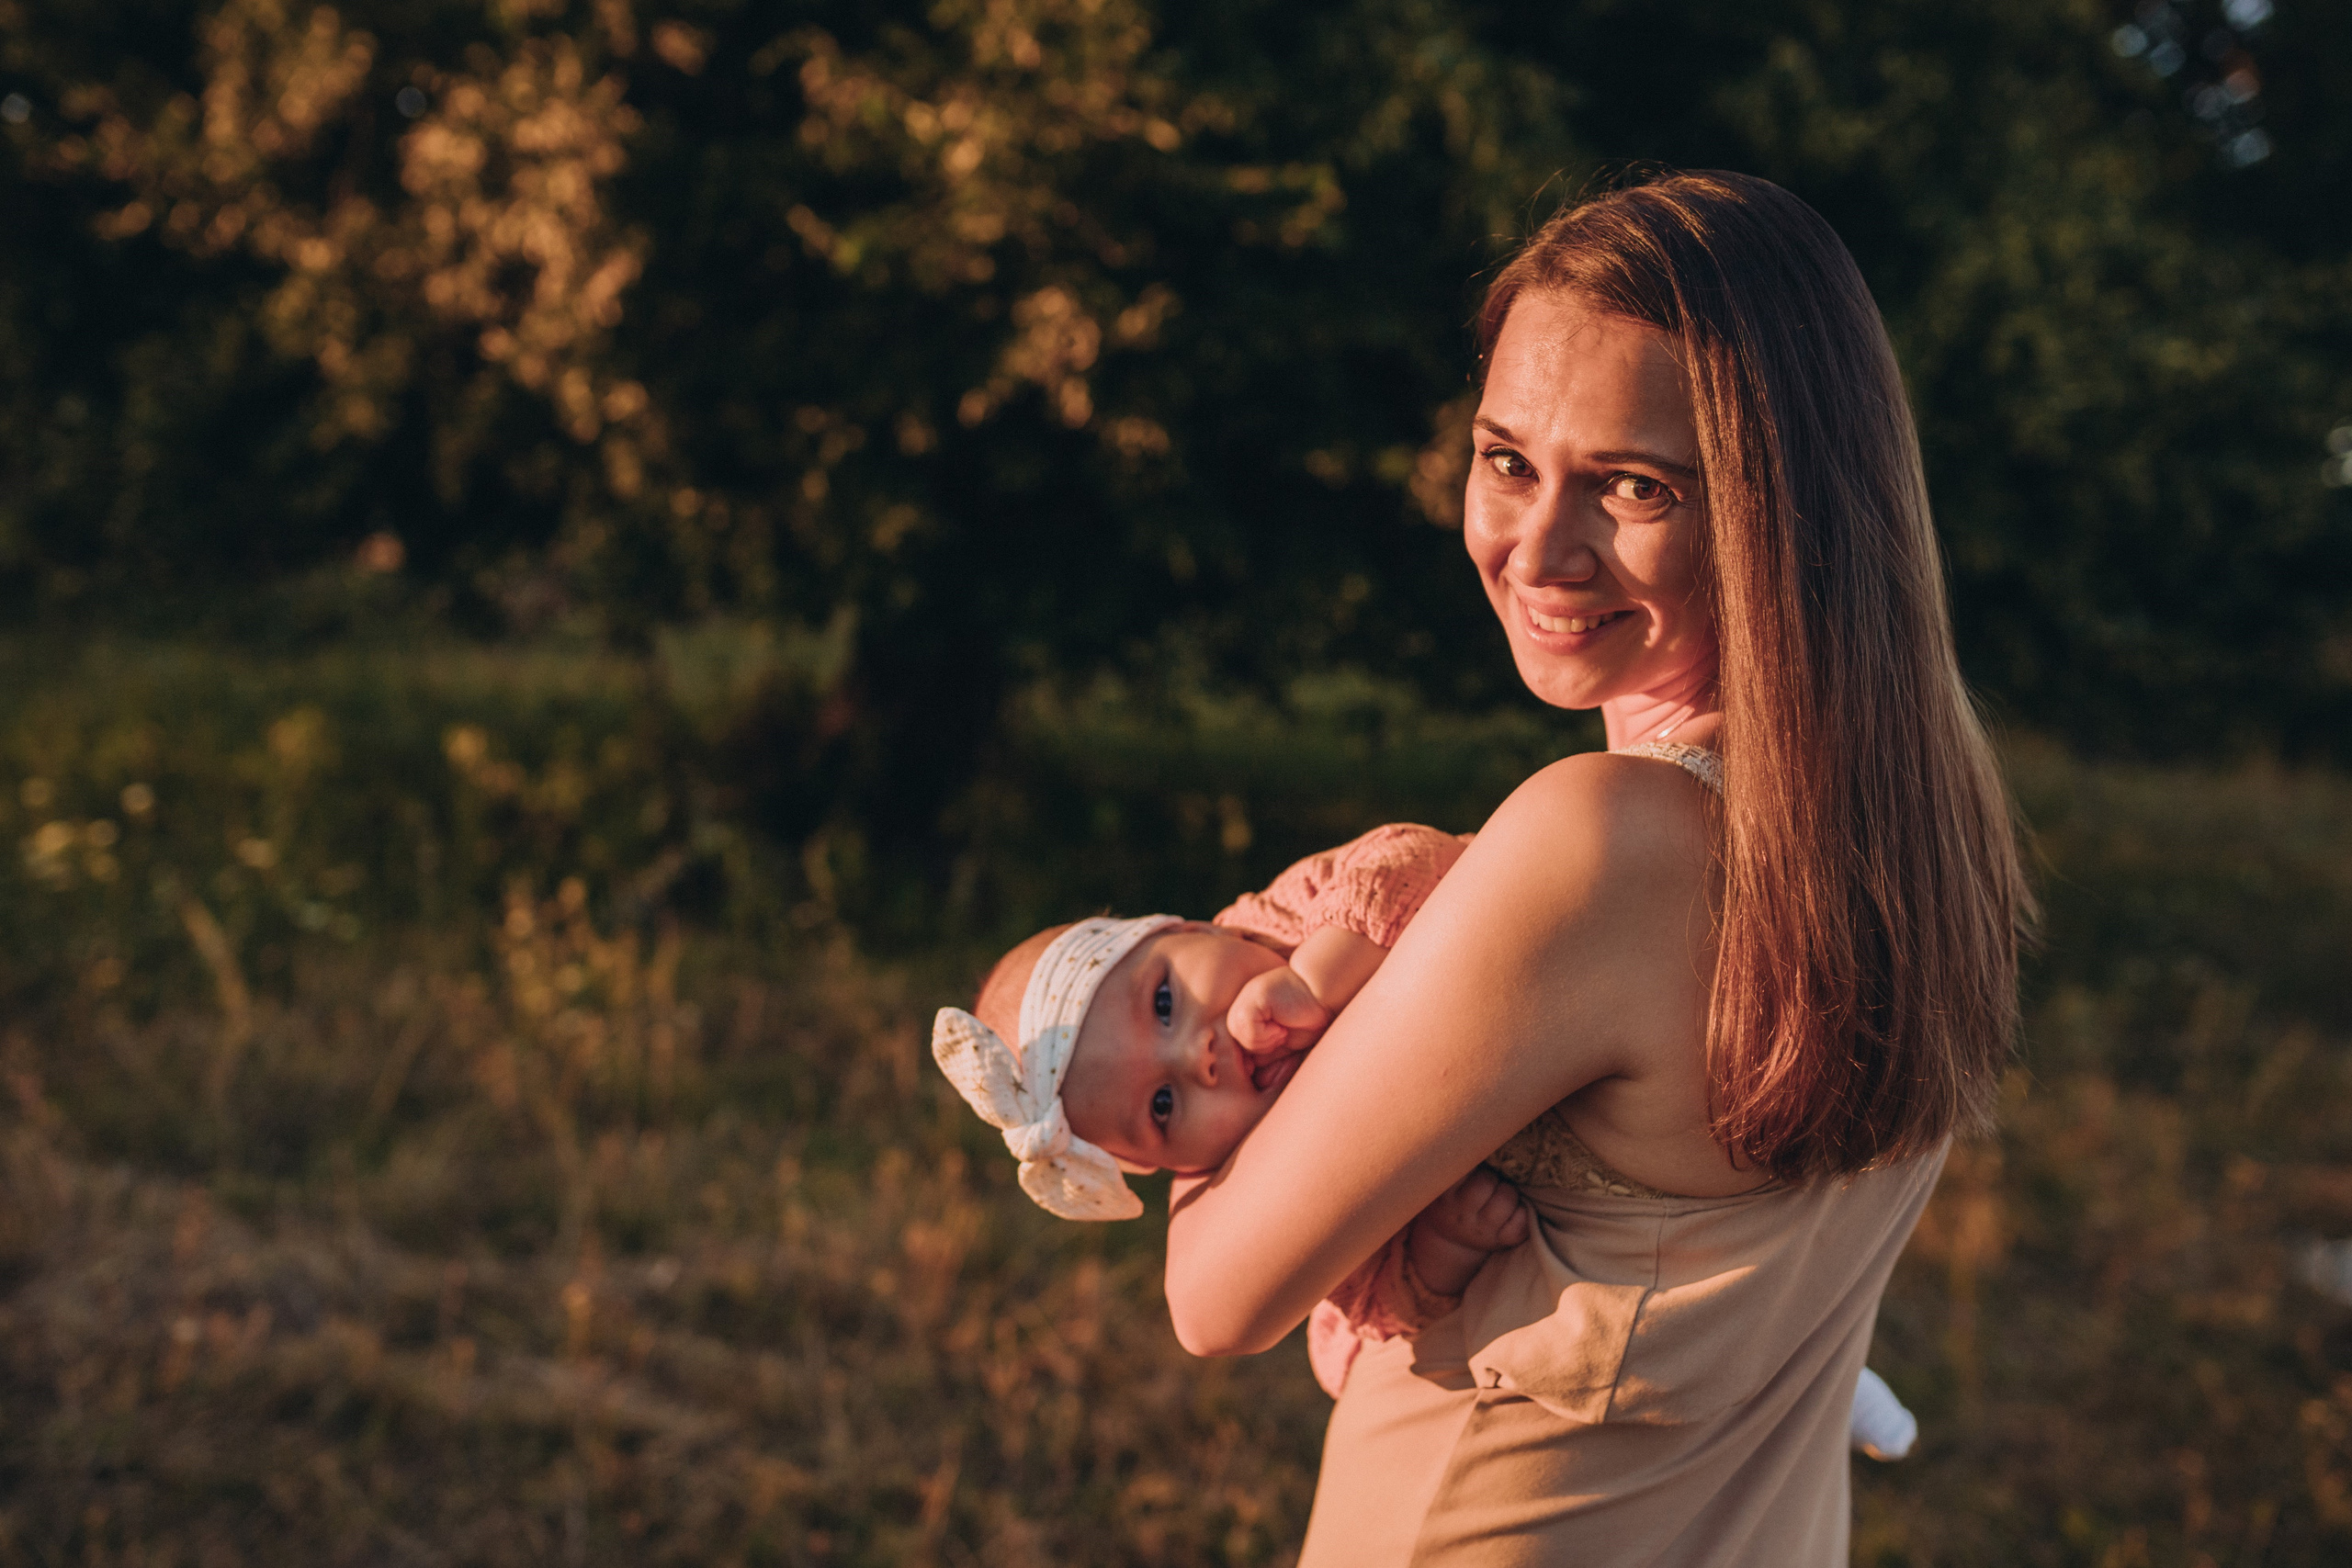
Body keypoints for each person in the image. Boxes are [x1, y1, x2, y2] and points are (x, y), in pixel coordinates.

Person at [1154, 171, 2029, 1563]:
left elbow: (1216, 1292)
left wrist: (1191, 1025)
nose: (1537, 548)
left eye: (1631, 484)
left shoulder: (1601, 843)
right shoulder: (1917, 818)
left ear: (1777, 505)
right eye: (1507, 459)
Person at [929, 815, 1921, 1456]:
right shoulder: (1254, 1173)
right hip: (1518, 1234)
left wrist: (1323, 970)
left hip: (1567, 1087)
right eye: (1161, 1110)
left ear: (1183, 925)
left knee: (1723, 1224)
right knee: (1560, 1308)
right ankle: (1806, 1390)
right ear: (1170, 1169)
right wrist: (1437, 1250)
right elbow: (1373, 1292)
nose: (1200, 1059)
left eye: (1160, 1002)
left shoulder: (1287, 917)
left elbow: (1425, 861)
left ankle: (1829, 1369)